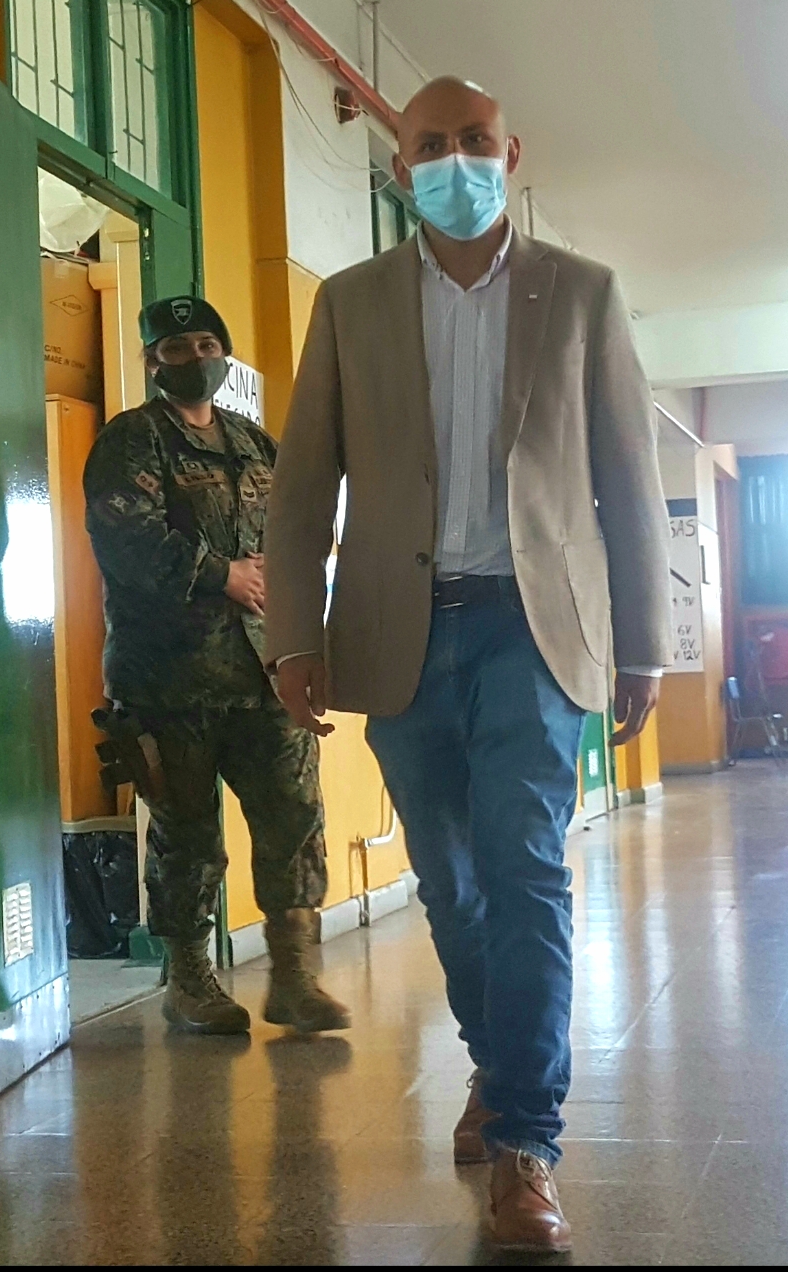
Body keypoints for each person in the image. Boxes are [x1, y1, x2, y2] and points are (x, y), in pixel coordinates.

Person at [264, 78, 671, 1253]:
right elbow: (304, 484)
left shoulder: (581, 293)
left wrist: (642, 641)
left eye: (474, 141)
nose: (455, 160)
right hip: (398, 632)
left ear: (511, 151)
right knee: (449, 882)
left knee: (525, 868)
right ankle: (497, 1067)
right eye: (431, 145)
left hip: (533, 630)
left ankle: (527, 1145)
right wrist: (295, 634)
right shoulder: (349, 303)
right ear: (400, 169)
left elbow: (628, 477)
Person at [83, 295, 350, 1037]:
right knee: (188, 837)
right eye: (177, 349)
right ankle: (190, 978)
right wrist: (219, 574)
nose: (195, 359)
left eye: (207, 345)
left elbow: (304, 532)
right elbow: (126, 539)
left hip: (265, 672)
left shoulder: (256, 444)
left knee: (294, 817)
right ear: (153, 362)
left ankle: (294, 977)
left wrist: (307, 636)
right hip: (171, 683)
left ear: (223, 354)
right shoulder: (132, 440)